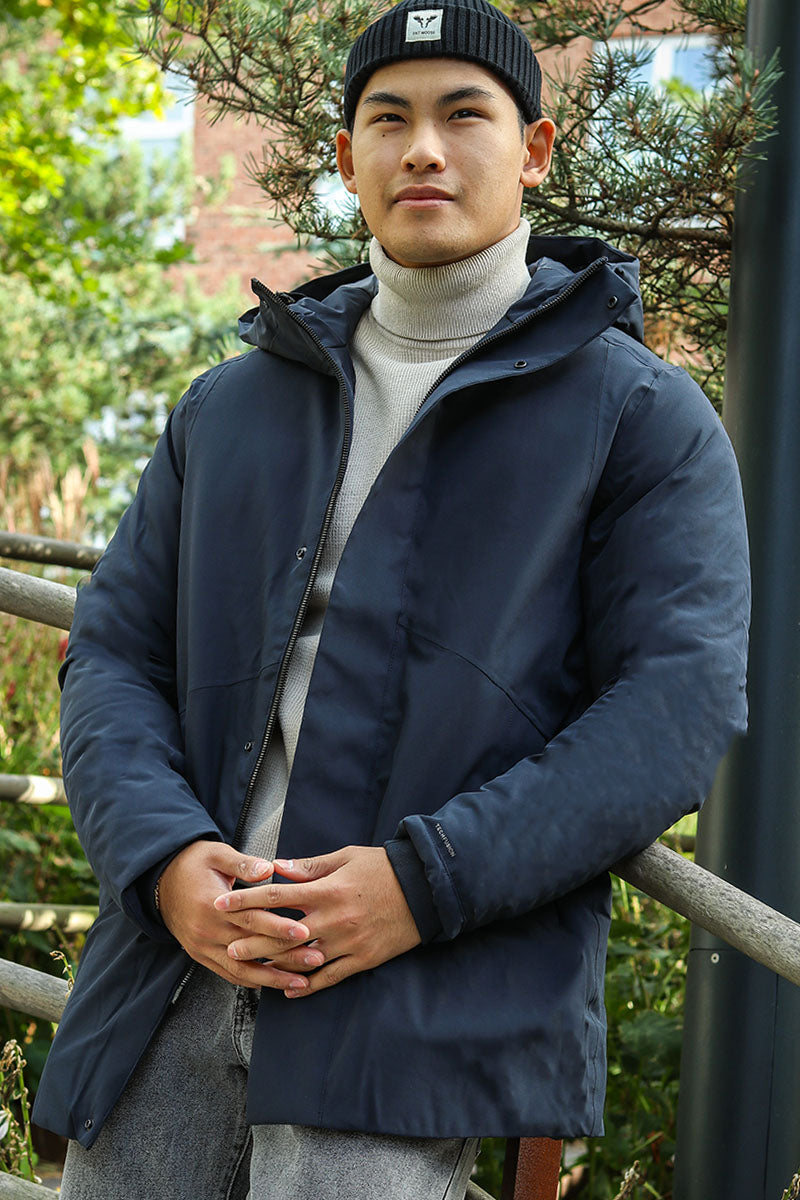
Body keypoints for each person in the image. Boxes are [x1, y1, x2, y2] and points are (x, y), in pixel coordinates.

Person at [33, 1, 751, 1196]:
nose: (422, 148)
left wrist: (422, 883)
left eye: (463, 115)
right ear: (345, 156)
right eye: (388, 119)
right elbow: (113, 655)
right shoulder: (230, 404)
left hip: (418, 1000)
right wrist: (164, 861)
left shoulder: (637, 415)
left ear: (533, 150)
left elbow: (672, 709)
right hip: (168, 974)